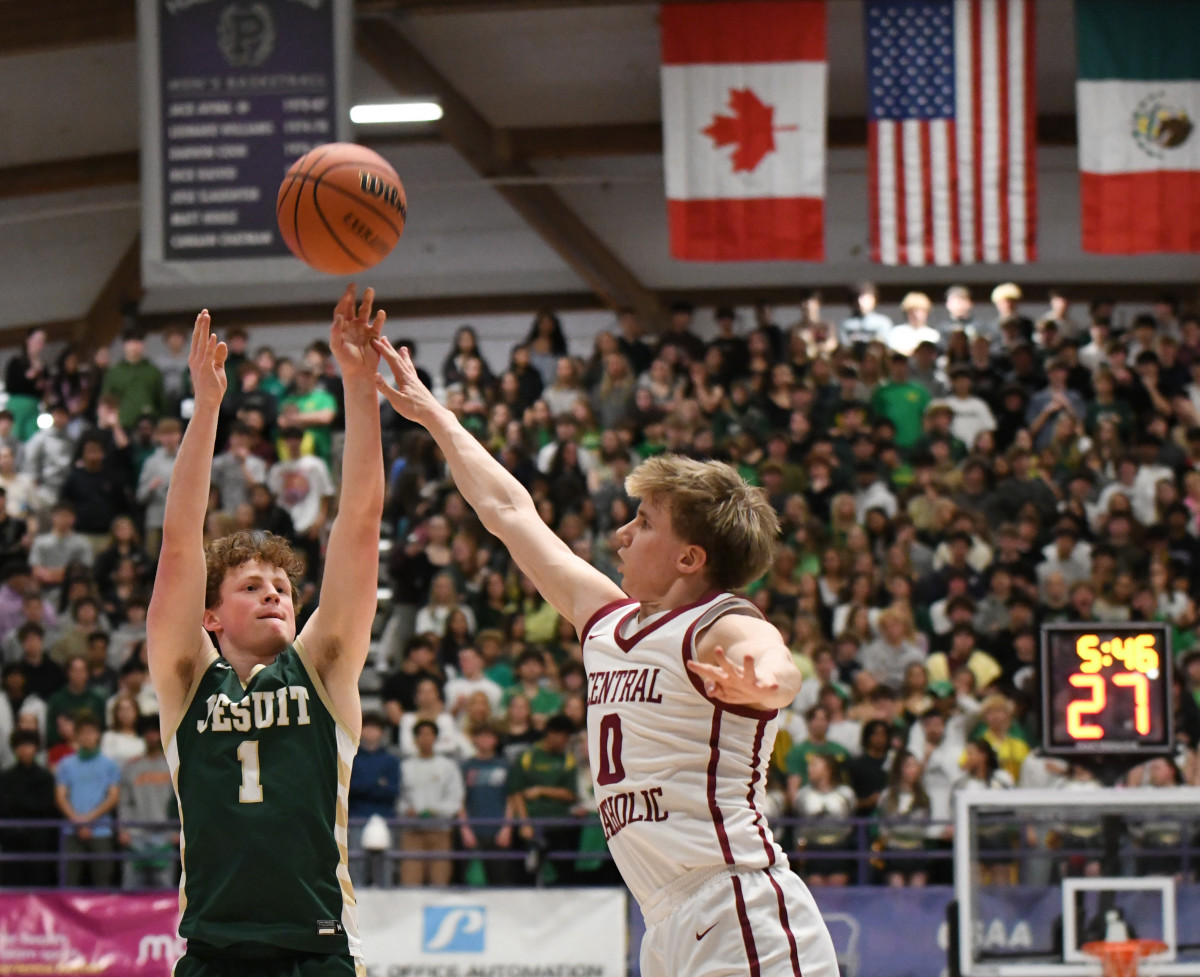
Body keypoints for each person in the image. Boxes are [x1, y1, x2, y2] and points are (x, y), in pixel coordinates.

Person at [373, 336, 838, 977]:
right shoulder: (607, 621)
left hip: (739, 904)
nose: (620, 534)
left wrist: (763, 685)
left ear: (689, 558)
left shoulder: (717, 624)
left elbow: (772, 658)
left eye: (643, 522)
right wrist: (437, 417)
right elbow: (510, 511)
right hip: (668, 915)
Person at [146, 288, 384, 976]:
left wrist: (359, 386)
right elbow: (179, 547)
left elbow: (360, 527)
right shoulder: (188, 678)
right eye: (252, 586)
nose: (275, 595)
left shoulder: (324, 668)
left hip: (315, 949)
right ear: (209, 614)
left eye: (281, 586)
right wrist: (208, 406)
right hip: (212, 952)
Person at [54, 712, 121, 886]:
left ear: (98, 735)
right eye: (82, 733)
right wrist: (77, 821)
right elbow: (60, 796)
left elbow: (113, 797)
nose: (87, 737)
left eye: (91, 732)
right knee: (68, 881)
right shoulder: (66, 764)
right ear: (76, 736)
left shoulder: (109, 765)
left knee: (103, 881)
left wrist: (88, 819)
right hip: (71, 830)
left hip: (101, 831)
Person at [117, 714, 177, 889]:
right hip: (136, 836)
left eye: (155, 732)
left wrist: (177, 829)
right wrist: (123, 828)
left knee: (164, 891)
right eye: (148, 732)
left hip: (165, 836)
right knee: (131, 889)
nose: (152, 736)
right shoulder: (131, 766)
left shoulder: (173, 763)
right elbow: (125, 801)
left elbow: (180, 800)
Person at [0, 728, 60, 885]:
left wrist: (19, 804)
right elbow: (4, 806)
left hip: (38, 840)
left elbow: (45, 805)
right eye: (20, 746)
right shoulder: (6, 777)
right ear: (14, 749)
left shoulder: (45, 777)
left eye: (29, 745)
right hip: (11, 839)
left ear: (36, 748)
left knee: (38, 881)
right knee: (11, 881)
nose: (25, 750)